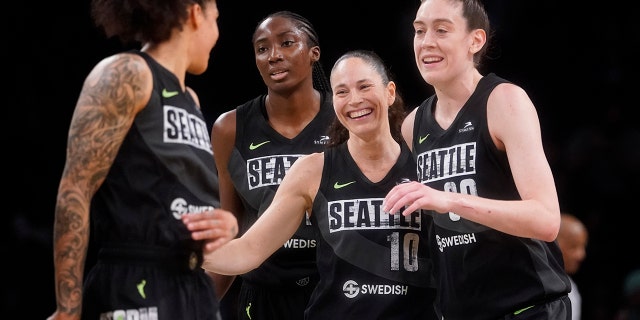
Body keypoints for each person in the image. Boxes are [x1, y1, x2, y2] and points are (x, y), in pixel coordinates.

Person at [185, 50, 438, 319]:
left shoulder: (424, 165)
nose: (354, 100)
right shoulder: (312, 169)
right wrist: (180, 247)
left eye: (364, 86)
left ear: (389, 93)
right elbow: (248, 252)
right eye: (341, 92)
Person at [48, 0, 238, 319]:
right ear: (194, 13)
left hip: (193, 286)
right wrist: (67, 309)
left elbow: (177, 195)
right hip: (133, 282)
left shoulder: (190, 100)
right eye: (215, 19)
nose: (218, 33)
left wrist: (225, 224)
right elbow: (75, 190)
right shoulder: (128, 73)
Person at [382, 0, 572, 319]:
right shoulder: (413, 124)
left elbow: (546, 220)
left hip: (527, 307)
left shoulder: (504, 100)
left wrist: (448, 200)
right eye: (419, 30)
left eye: (442, 30)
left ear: (475, 40)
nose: (427, 41)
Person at [206, 11, 334, 320]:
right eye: (262, 49)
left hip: (334, 290)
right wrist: (196, 304)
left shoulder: (343, 118)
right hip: (263, 295)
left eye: (287, 43)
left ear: (314, 52)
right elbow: (230, 229)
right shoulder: (230, 129)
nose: (273, 56)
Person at [557, 213, 589, 320]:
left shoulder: (571, 289)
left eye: (583, 247)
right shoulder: (536, 285)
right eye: (574, 246)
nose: (581, 255)